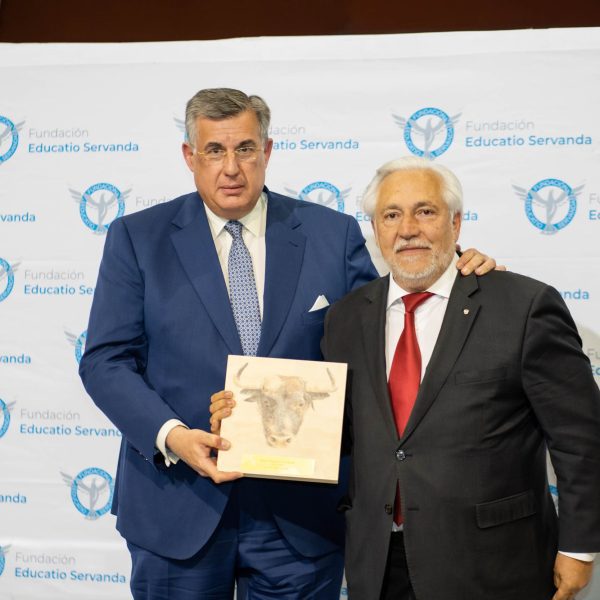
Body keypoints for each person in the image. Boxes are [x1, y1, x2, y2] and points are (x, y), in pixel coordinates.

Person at [79, 89, 495, 600]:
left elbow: (385, 328)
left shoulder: (331, 234)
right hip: (178, 505)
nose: (231, 168)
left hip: (300, 517)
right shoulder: (137, 238)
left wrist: (455, 271)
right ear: (189, 156)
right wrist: (174, 436)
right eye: (214, 151)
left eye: (245, 149)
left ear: (268, 151)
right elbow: (105, 361)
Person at [320, 155, 600, 600]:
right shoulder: (345, 318)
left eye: (425, 211)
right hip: (379, 563)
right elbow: (345, 433)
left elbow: (580, 438)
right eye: (391, 215)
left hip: (494, 564)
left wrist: (580, 547)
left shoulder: (522, 306)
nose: (407, 228)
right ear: (374, 228)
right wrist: (248, 425)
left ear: (455, 222)